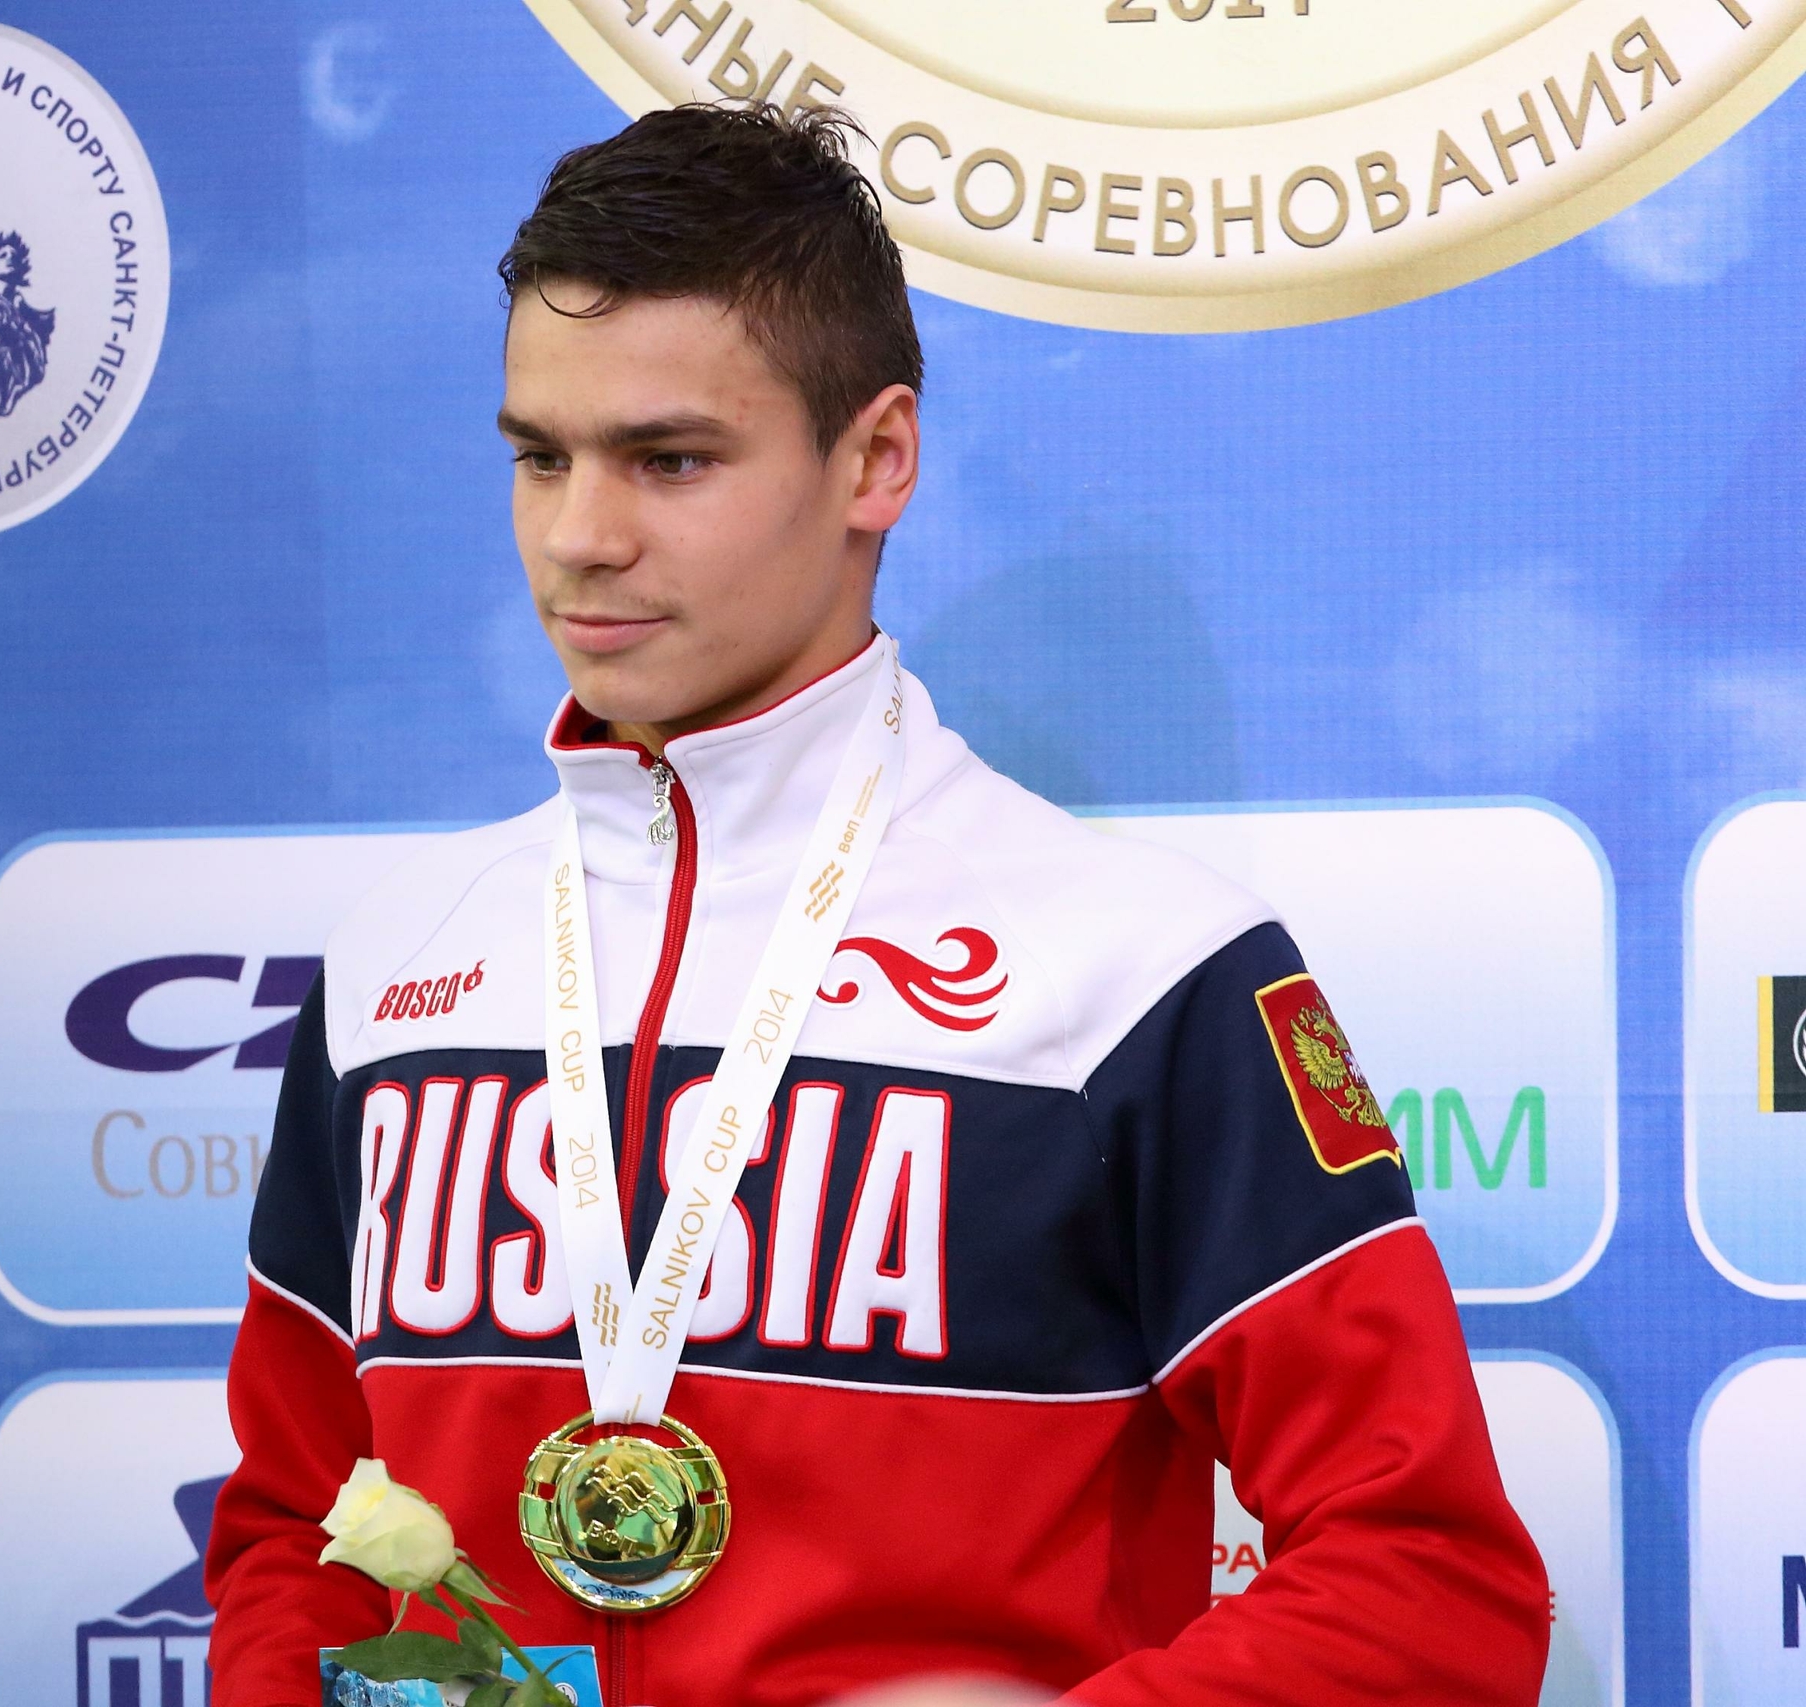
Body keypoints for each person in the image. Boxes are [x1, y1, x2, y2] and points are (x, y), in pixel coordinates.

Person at [205, 102, 1550, 1707]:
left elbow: (1431, 1579)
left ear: (877, 459)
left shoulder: (1144, 975)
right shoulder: (390, 973)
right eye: (540, 456)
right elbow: (297, 1530)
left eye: (671, 459)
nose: (581, 537)